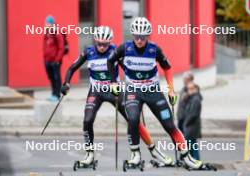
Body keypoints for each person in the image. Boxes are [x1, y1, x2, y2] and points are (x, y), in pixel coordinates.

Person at [61, 26, 173, 166]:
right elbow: (72, 68)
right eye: (99, 44)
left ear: (110, 43)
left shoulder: (115, 50)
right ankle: (89, 154)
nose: (102, 47)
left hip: (115, 90)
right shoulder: (88, 51)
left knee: (133, 121)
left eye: (105, 44)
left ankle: (154, 151)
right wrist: (66, 83)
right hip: (96, 90)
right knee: (87, 120)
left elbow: (127, 67)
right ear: (95, 41)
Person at [107, 17, 203, 169]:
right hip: (133, 90)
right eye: (137, 36)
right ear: (133, 35)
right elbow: (110, 61)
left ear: (147, 36)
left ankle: (187, 157)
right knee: (132, 119)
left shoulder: (154, 49)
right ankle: (135, 154)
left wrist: (171, 89)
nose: (139, 40)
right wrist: (113, 82)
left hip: (153, 90)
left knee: (169, 125)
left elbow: (168, 68)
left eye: (143, 37)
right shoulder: (124, 48)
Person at [43, 15, 64, 101]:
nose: (46, 24)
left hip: (55, 60)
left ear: (51, 23)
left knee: (56, 77)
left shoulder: (57, 32)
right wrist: (44, 57)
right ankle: (53, 93)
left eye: (47, 23)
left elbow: (61, 47)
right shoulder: (47, 32)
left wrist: (57, 59)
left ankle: (57, 94)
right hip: (47, 60)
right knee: (51, 77)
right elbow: (45, 45)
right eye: (46, 23)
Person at [183, 82, 202, 160]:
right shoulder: (192, 98)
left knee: (192, 144)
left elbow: (193, 114)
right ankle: (192, 160)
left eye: (191, 89)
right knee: (191, 144)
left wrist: (186, 123)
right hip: (191, 125)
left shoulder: (196, 99)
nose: (189, 91)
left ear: (195, 89)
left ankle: (196, 160)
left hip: (192, 126)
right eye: (188, 89)